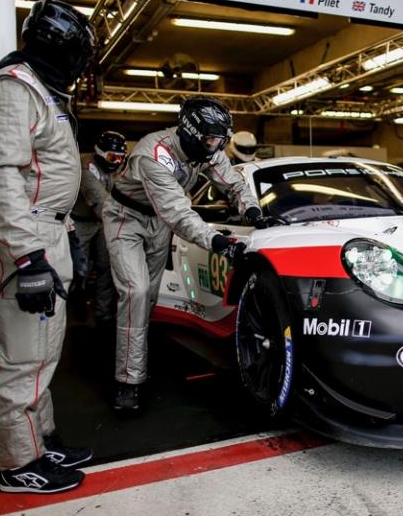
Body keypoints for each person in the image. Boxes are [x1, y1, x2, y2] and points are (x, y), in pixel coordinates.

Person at [0, 0, 95, 494]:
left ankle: (40, 441)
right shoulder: (12, 90)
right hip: (25, 238)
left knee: (41, 351)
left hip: (44, 231)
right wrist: (28, 256)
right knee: (22, 354)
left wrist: (62, 240)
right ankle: (19, 464)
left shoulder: (38, 90)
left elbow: (38, 178)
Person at [102, 97, 277, 412]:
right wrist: (216, 241)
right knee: (136, 291)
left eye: (220, 141)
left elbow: (233, 184)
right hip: (125, 218)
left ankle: (134, 349)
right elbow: (178, 214)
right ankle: (128, 382)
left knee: (149, 295)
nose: (216, 147)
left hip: (158, 223)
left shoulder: (206, 150)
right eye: (212, 139)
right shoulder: (153, 154)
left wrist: (252, 210)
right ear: (191, 133)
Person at [70, 131, 127, 325]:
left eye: (121, 157)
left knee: (107, 266)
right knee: (80, 268)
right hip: (81, 222)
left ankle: (104, 313)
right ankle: (75, 307)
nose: (117, 161)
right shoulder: (86, 168)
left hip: (104, 223)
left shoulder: (119, 169)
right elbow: (100, 201)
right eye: (112, 156)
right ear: (100, 152)